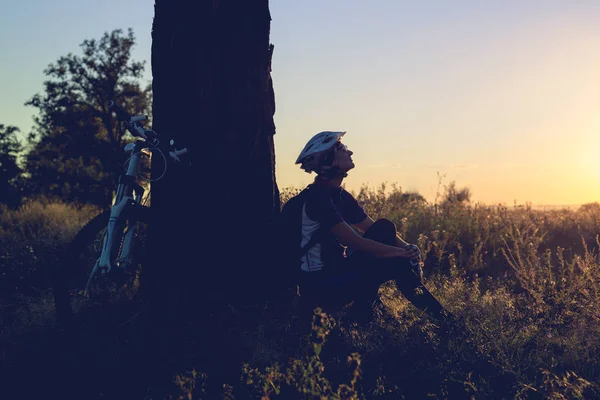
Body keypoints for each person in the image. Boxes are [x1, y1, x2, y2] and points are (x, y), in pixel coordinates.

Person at [292, 130, 451, 324]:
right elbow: (356, 242)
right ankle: (444, 321)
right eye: (343, 148)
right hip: (320, 285)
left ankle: (367, 313)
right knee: (397, 262)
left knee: (385, 227)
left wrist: (406, 248)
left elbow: (373, 229)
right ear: (329, 160)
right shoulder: (318, 199)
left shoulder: (339, 195)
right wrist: (400, 254)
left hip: (337, 271)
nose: (350, 153)